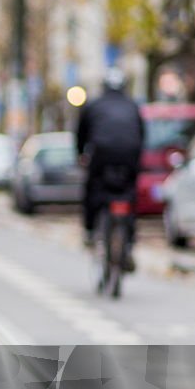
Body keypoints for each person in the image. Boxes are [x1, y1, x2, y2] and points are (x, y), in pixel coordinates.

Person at [76, 66, 144, 271]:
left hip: (101, 155)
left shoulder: (94, 105)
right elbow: (142, 135)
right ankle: (128, 243)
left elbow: (80, 135)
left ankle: (89, 231)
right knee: (129, 195)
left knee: (93, 190)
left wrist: (80, 155)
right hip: (129, 155)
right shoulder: (133, 106)